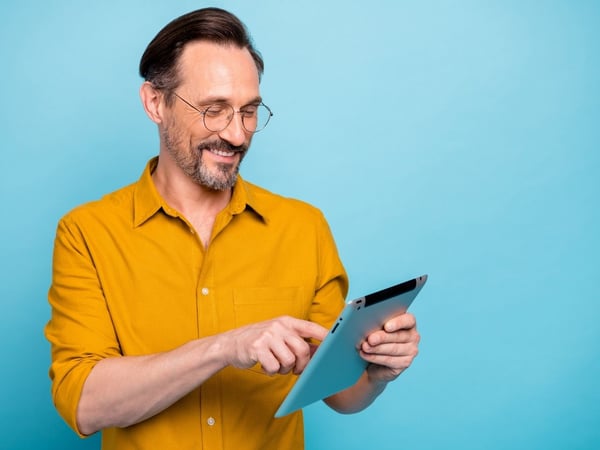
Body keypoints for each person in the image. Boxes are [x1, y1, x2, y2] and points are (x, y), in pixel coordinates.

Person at [45, 7, 420, 450]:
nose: (238, 135)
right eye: (214, 110)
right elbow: (84, 404)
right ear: (155, 103)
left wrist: (377, 373)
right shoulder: (86, 232)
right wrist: (224, 348)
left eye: (248, 111)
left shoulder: (304, 228)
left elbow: (340, 392)